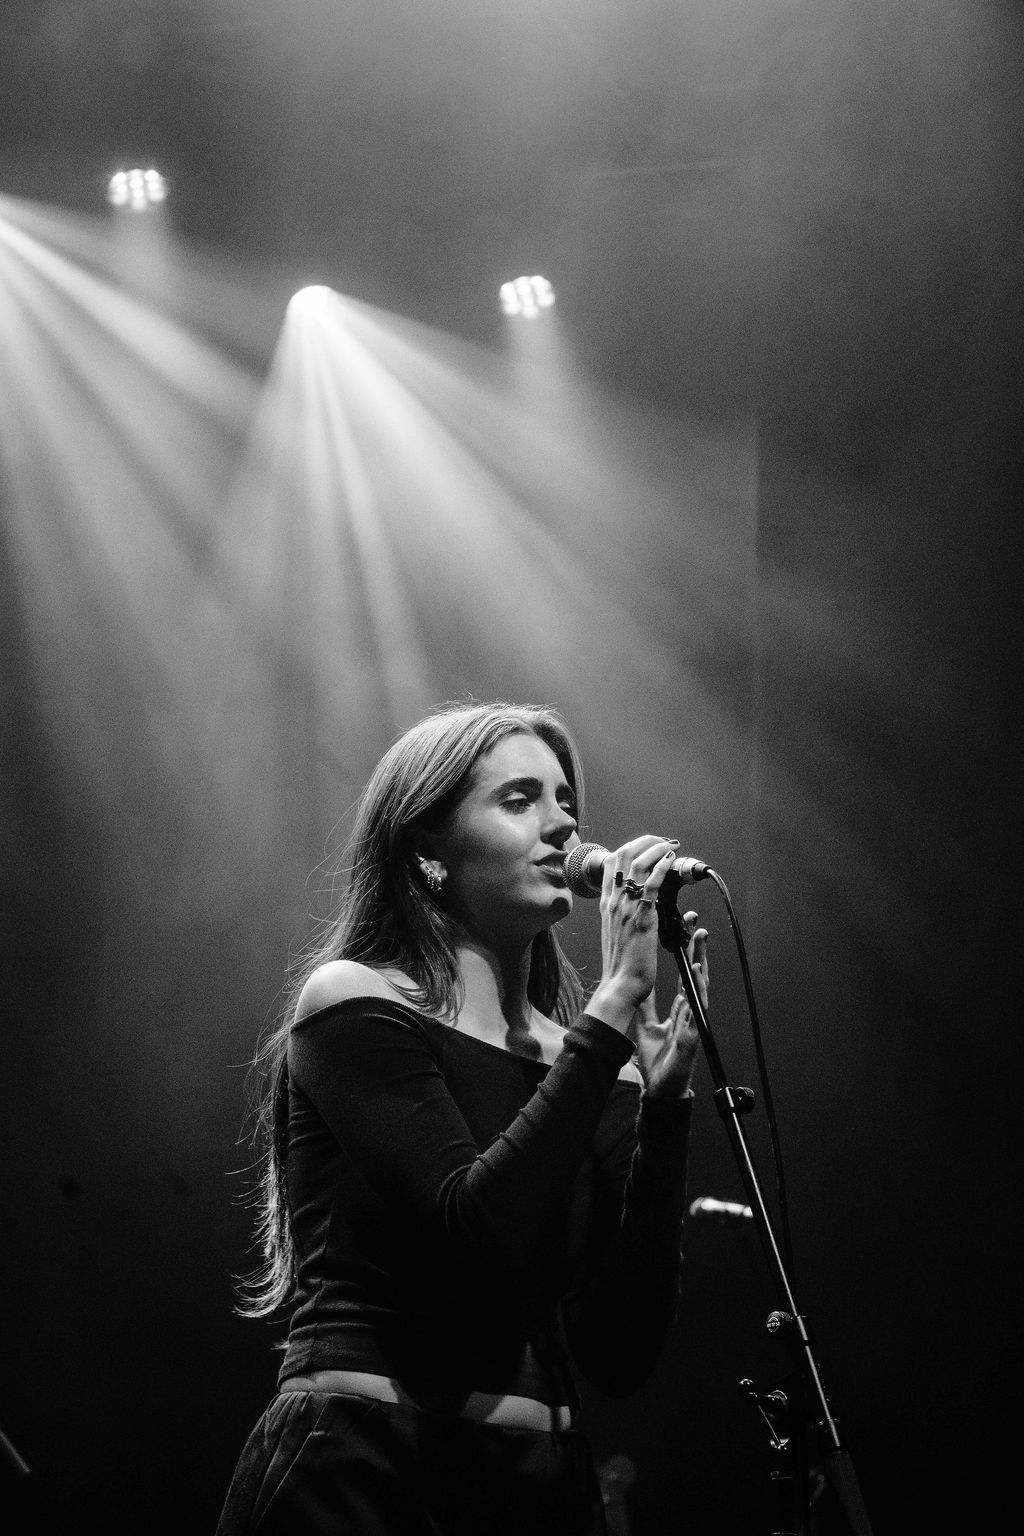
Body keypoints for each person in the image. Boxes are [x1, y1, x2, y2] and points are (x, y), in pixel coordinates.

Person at [215, 700, 709, 1536]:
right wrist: (613, 1008)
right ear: (427, 852)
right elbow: (475, 1232)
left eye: (566, 802)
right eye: (519, 799)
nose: (563, 825)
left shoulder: (592, 1063)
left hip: (542, 1488)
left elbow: (618, 1352)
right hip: (369, 1468)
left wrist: (663, 1109)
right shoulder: (354, 1001)